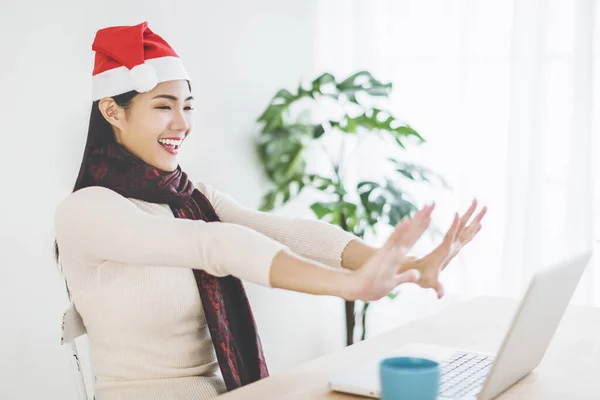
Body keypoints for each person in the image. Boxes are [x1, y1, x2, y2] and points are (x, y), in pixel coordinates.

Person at [54, 21, 486, 400]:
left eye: (187, 106)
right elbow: (215, 245)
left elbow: (286, 232)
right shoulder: (87, 211)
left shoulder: (189, 197)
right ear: (113, 111)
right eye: (163, 106)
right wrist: (349, 285)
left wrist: (412, 264)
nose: (183, 124)